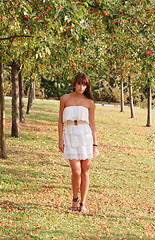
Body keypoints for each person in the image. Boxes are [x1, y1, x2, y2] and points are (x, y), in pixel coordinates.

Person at [58, 73, 99, 213]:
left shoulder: (89, 102)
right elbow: (59, 121)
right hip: (70, 135)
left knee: (85, 172)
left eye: (84, 84)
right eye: (79, 83)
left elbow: (92, 123)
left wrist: (95, 143)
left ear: (87, 86)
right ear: (74, 84)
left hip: (85, 136)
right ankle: (74, 199)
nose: (81, 87)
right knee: (76, 171)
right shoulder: (65, 98)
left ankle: (83, 203)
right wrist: (60, 140)